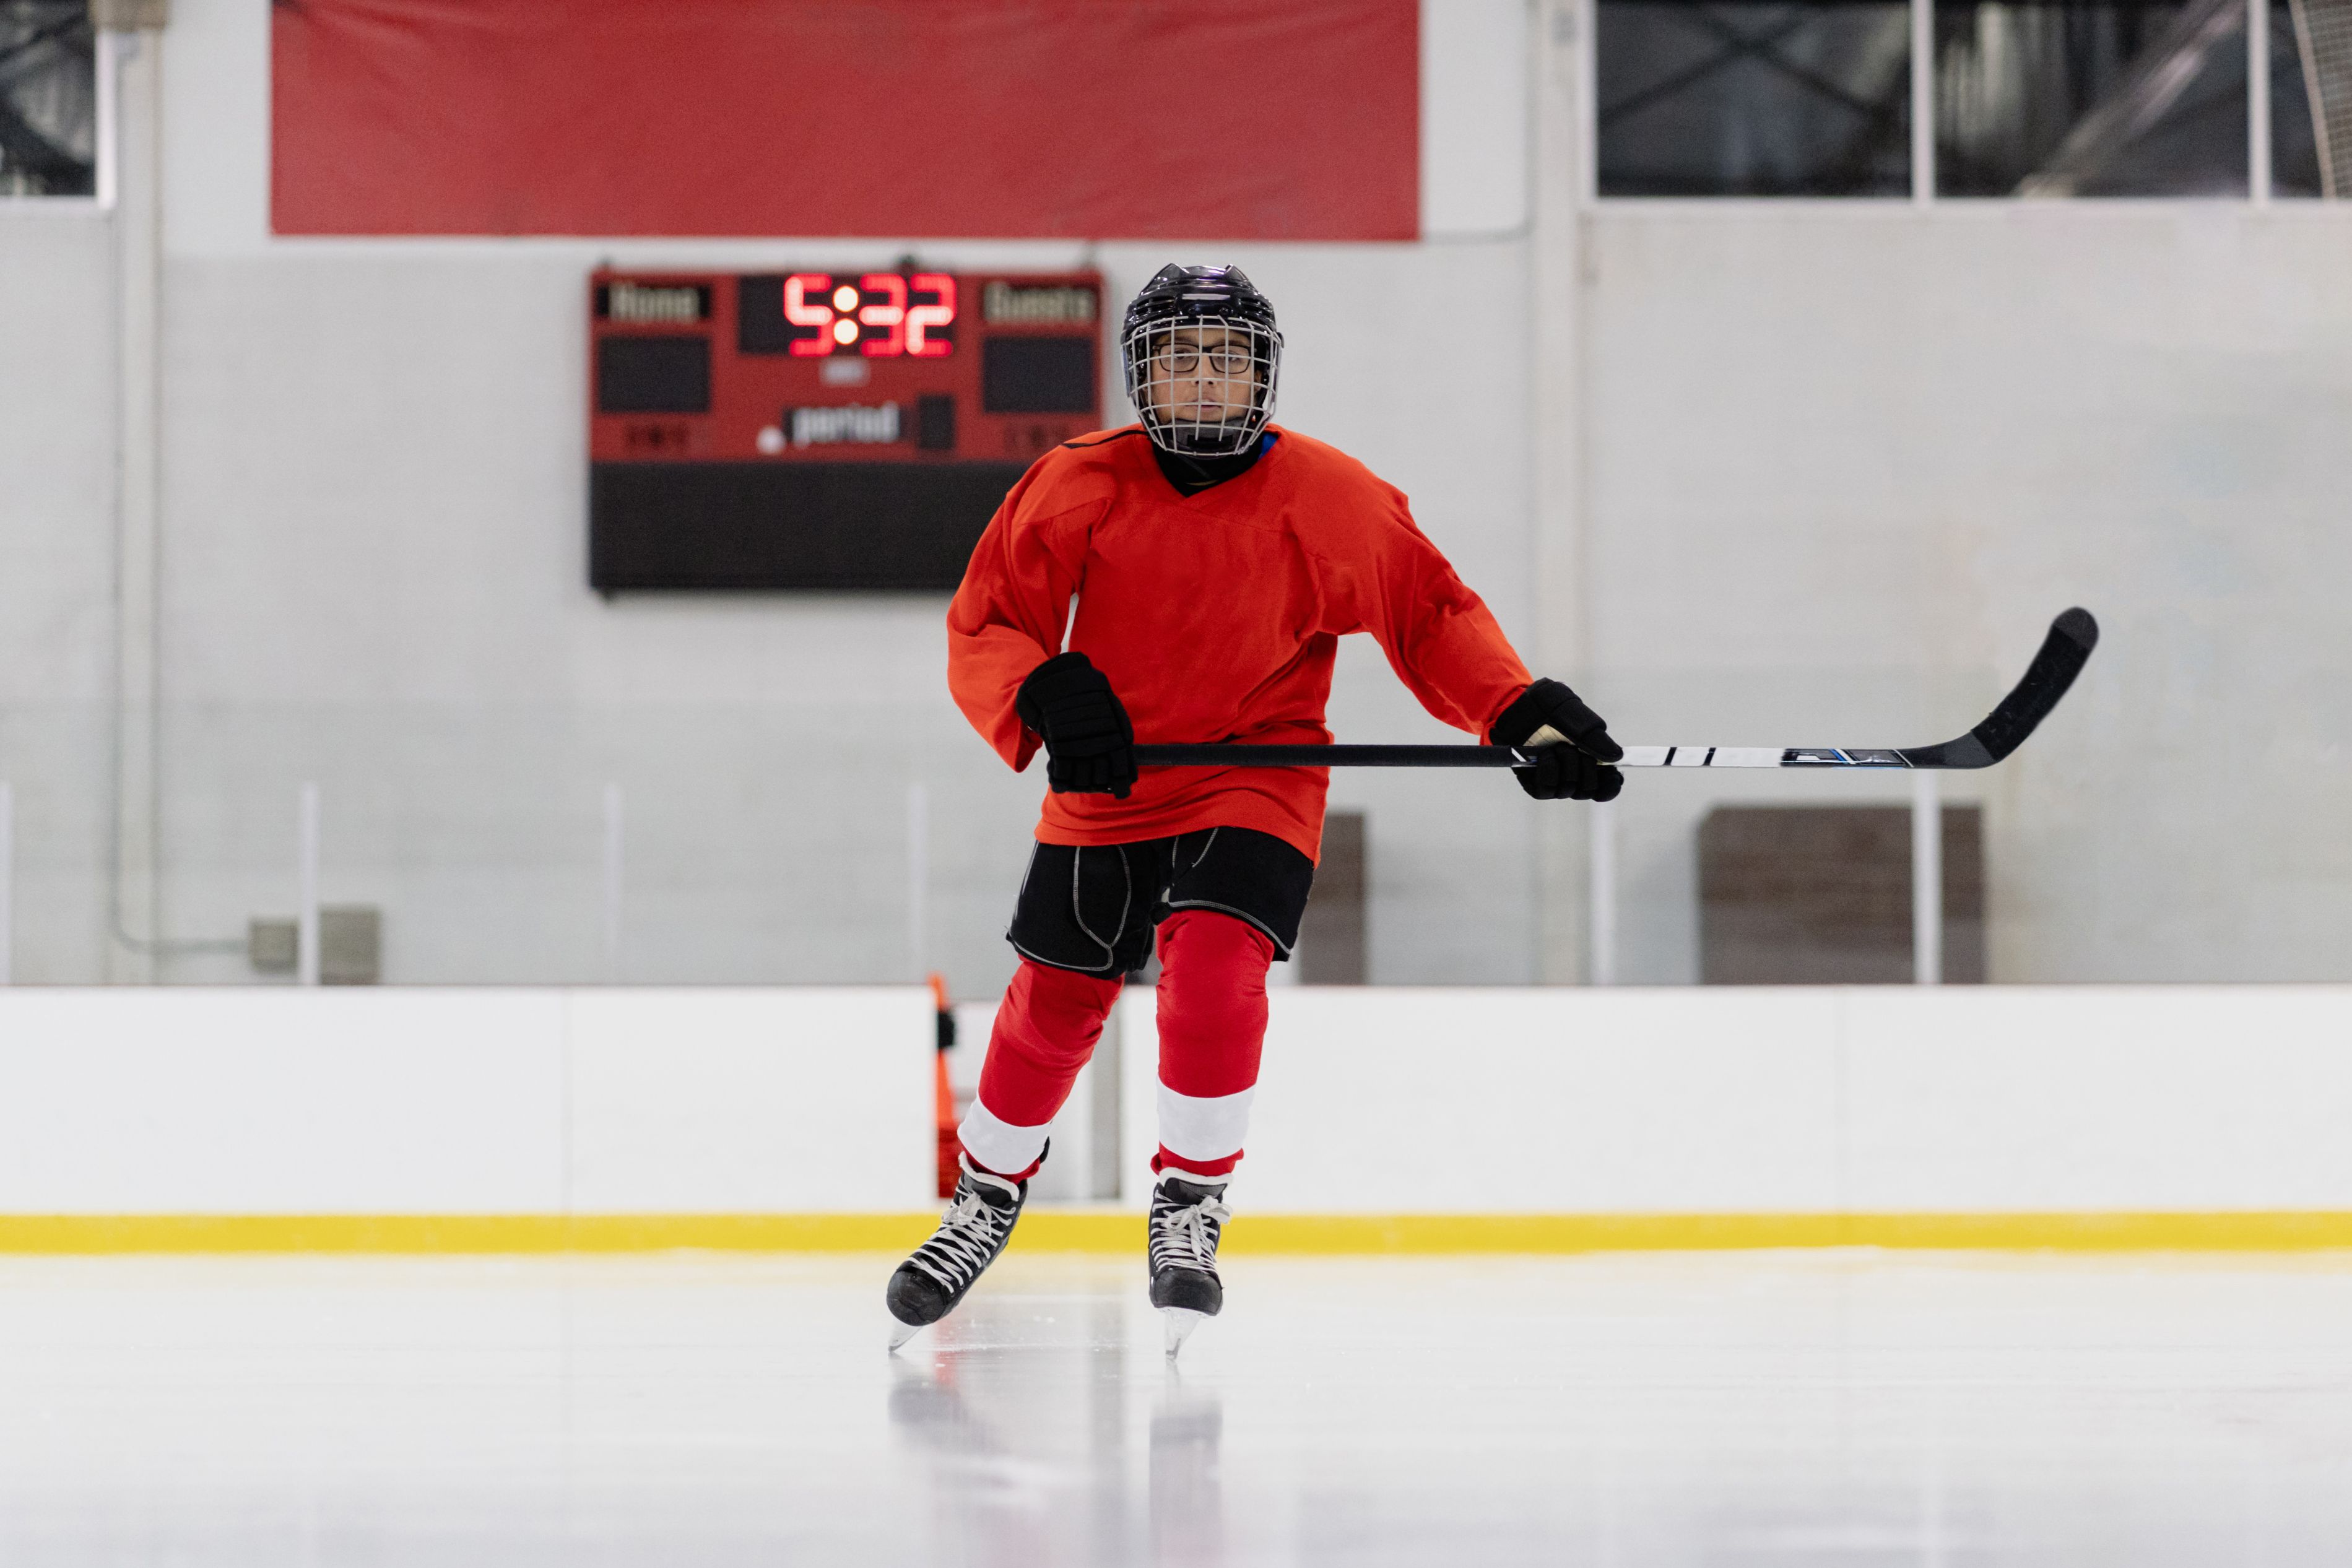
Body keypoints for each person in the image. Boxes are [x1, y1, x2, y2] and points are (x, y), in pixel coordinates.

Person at [887, 264, 1623, 1354]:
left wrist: (1516, 710)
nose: (1203, 378)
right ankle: (985, 1196)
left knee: (1216, 970)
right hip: (1113, 780)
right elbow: (990, 621)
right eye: (1179, 357)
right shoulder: (1075, 481)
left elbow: (1431, 615)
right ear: (1141, 375)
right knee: (1053, 1000)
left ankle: (1189, 1200)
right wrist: (1044, 692)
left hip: (1257, 773)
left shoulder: (1333, 497)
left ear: (1262, 375)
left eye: (1226, 358)